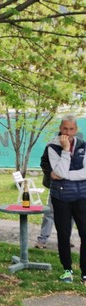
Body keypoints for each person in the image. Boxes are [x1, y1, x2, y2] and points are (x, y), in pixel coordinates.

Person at [48, 114, 86, 284]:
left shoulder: (83, 147)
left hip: (82, 197)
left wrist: (65, 175)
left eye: (71, 129)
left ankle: (84, 272)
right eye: (65, 128)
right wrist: (65, 150)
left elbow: (65, 173)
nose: (68, 132)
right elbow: (59, 172)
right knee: (64, 234)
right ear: (60, 128)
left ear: (76, 130)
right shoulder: (52, 147)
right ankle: (67, 270)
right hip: (61, 198)